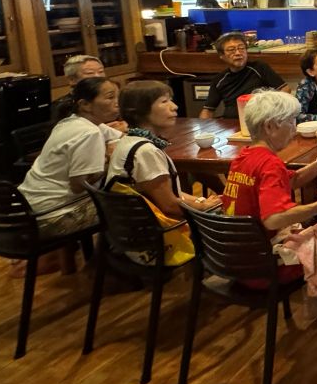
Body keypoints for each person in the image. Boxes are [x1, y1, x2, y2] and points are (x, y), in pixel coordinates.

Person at [222, 91, 317, 282]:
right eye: (290, 121)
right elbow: (273, 219)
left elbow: (292, 180)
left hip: (239, 261)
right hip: (266, 268)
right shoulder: (269, 164)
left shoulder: (243, 157)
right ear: (269, 126)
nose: (295, 127)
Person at [18, 77, 121, 274]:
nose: (117, 102)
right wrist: (109, 163)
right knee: (130, 203)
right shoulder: (88, 133)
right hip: (52, 217)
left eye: (117, 96)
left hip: (29, 210)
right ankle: (108, 267)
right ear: (85, 105)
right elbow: (79, 185)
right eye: (110, 97)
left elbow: (120, 136)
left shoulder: (70, 122)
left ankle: (96, 264)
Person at [105, 81, 222, 222]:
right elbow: (170, 206)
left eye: (170, 100)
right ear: (141, 110)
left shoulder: (129, 140)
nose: (174, 106)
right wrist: (204, 207)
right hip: (162, 230)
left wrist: (202, 201)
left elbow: (171, 194)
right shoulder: (145, 151)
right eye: (164, 101)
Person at [199, 32, 289, 120]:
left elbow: (285, 90)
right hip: (230, 123)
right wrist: (203, 126)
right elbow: (207, 111)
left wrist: (270, 110)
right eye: (231, 50)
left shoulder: (259, 68)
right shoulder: (219, 80)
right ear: (222, 55)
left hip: (259, 121)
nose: (238, 53)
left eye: (241, 48)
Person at [51, 54, 124, 128]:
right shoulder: (61, 107)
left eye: (101, 71)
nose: (98, 76)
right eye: (90, 73)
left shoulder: (112, 95)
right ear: (72, 79)